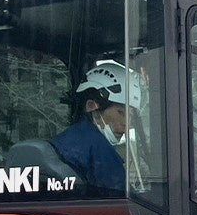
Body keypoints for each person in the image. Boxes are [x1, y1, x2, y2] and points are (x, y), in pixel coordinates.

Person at [54, 61, 145, 192]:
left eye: (130, 116)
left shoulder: (65, 142)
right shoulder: (98, 149)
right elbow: (118, 197)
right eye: (120, 112)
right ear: (92, 106)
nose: (126, 124)